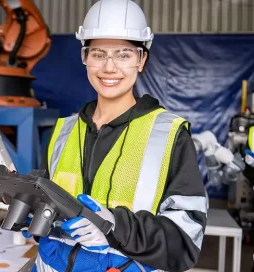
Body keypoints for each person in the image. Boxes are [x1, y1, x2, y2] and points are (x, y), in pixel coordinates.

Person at [23, 0, 208, 271]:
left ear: (141, 60)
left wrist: (114, 227)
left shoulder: (170, 135)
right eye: (98, 54)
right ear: (84, 57)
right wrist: (32, 213)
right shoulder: (62, 132)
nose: (109, 68)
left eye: (123, 54)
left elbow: (185, 241)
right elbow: (48, 204)